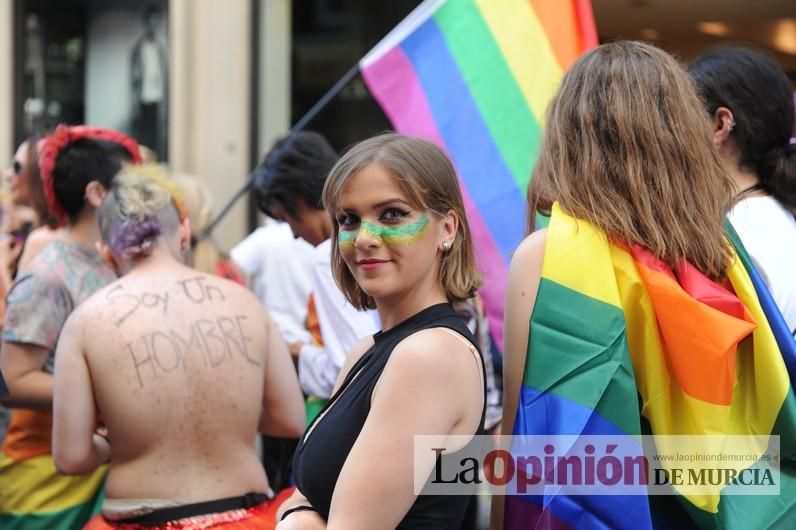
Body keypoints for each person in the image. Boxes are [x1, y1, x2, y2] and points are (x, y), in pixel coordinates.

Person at [495, 41, 796, 530]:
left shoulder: (549, 256)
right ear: (681, 135)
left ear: (570, 137)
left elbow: (523, 428)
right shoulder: (724, 255)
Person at [52, 171, 305, 529]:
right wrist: (228, 417)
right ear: (184, 232)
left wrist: (122, 438)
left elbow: (71, 458)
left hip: (142, 516)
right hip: (245, 515)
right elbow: (289, 420)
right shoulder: (245, 304)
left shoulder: (85, 323)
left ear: (106, 253)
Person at [278, 133, 487, 529]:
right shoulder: (366, 352)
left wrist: (296, 519)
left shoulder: (429, 356)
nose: (365, 239)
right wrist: (299, 514)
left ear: (447, 229)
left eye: (392, 214)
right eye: (349, 220)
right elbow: (305, 494)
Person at [0, 125, 140, 530]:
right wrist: (113, 393)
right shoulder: (49, 273)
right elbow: (12, 381)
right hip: (45, 484)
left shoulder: (119, 260)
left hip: (102, 468)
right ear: (97, 193)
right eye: (131, 183)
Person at [254, 131, 379, 401]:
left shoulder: (329, 256)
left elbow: (349, 370)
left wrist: (297, 350)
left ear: (298, 200)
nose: (295, 234)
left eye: (286, 218)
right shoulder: (379, 243)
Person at [689, 48, 796, 336]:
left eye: (684, 117)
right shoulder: (777, 214)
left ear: (721, 125)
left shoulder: (735, 234)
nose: (676, 135)